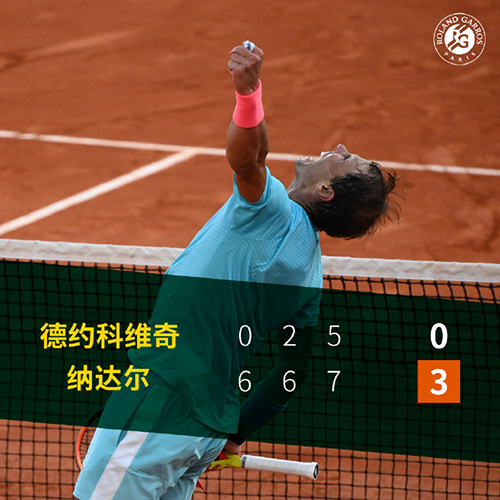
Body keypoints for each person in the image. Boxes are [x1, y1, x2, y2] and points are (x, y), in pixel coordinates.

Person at [74, 41, 397, 500]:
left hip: (161, 401)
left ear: (326, 190)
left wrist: (249, 94)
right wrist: (235, 431)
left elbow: (247, 159)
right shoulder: (309, 276)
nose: (340, 147)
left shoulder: (271, 210)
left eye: (346, 160)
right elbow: (292, 371)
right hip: (207, 426)